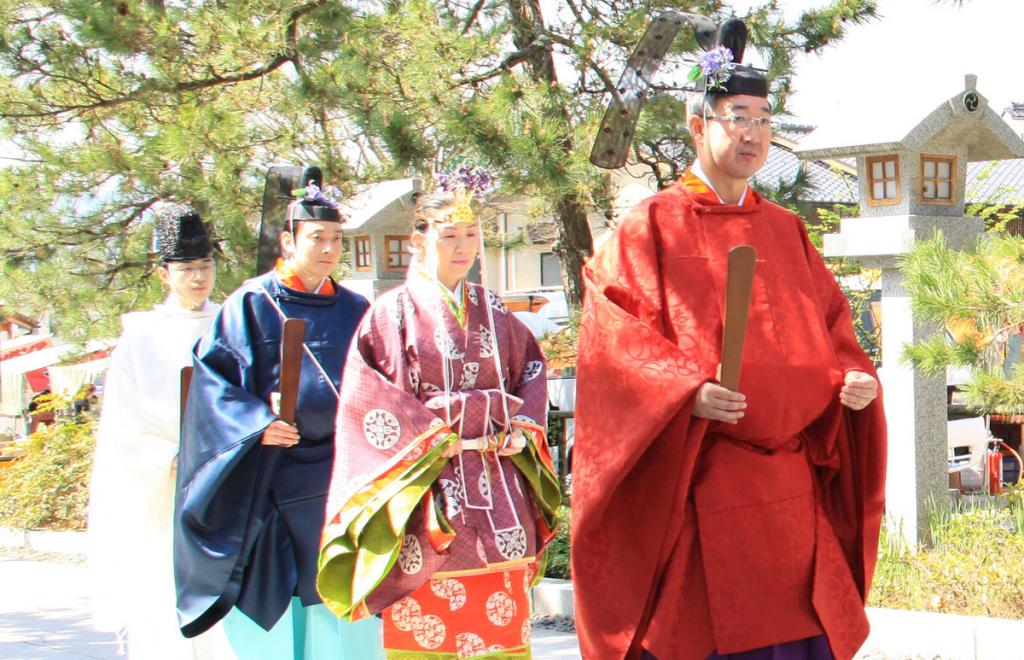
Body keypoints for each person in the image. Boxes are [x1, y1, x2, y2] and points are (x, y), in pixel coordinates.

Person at [571, 22, 888, 660]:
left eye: (764, 119)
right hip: (706, 482)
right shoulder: (651, 226)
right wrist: (684, 391)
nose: (752, 133)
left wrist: (852, 378)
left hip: (794, 496)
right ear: (698, 125)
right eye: (736, 116)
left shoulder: (785, 228)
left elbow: (833, 327)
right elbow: (613, 341)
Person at [316, 170, 561, 659]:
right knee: (428, 631)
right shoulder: (391, 314)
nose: (463, 247)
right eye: (450, 235)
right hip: (430, 498)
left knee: (504, 635)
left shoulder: (494, 310)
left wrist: (520, 429)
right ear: (418, 240)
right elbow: (372, 403)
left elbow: (532, 371)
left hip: (499, 493)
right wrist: (434, 435)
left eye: (472, 235)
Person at [173, 176, 380, 659]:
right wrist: (255, 423)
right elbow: (210, 386)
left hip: (341, 479)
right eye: (316, 238)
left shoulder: (356, 308)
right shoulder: (249, 304)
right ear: (288, 240)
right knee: (279, 614)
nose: (327, 249)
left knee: (344, 607)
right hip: (272, 475)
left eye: (335, 239)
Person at [88, 204, 232, 658]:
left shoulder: (231, 322)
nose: (198, 278)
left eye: (205, 266)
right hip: (163, 485)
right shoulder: (141, 336)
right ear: (163, 274)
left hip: (225, 479)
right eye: (187, 268)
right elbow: (122, 423)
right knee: (162, 595)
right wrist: (167, 458)